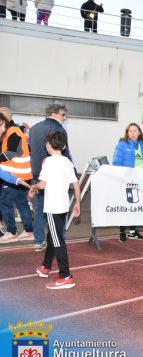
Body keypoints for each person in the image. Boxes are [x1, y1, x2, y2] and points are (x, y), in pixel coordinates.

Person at [30, 131, 80, 290]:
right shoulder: (67, 162)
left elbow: (42, 184)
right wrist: (77, 203)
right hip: (64, 207)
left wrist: (34, 186)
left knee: (57, 240)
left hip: (52, 207)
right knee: (53, 236)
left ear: (48, 145)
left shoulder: (48, 162)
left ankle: (66, 276)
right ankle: (46, 266)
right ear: (64, 146)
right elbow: (76, 185)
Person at [28, 103, 72, 252]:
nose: (65, 118)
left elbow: (32, 151)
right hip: (56, 175)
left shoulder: (33, 129)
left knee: (39, 209)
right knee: (59, 207)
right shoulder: (59, 130)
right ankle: (59, 239)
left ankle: (38, 241)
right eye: (63, 114)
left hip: (37, 173)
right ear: (53, 114)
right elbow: (65, 154)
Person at [0, 108, 34, 243]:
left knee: (5, 202)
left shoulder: (12, 132)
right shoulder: (17, 131)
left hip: (14, 175)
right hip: (22, 174)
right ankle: (28, 231)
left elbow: (12, 152)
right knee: (21, 203)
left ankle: (11, 232)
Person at [112, 123, 143, 242]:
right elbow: (116, 162)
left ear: (139, 132)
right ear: (127, 133)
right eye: (130, 131)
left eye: (135, 130)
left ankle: (133, 231)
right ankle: (122, 232)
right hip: (126, 181)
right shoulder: (122, 145)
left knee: (136, 207)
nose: (133, 133)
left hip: (140, 180)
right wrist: (120, 177)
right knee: (125, 206)